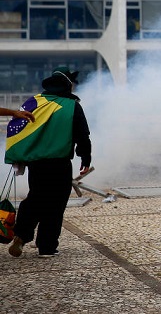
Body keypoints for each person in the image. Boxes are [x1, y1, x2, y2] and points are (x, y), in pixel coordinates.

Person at [5, 66, 92, 258]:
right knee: (55, 203)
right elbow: (82, 135)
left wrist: (19, 154)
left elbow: (19, 127)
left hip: (36, 162)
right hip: (59, 162)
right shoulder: (72, 106)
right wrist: (85, 157)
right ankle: (47, 246)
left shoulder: (35, 101)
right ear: (68, 85)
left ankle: (21, 234)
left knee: (36, 197)